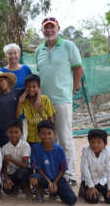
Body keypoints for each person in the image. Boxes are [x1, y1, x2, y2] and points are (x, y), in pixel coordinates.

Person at [35, 17, 83, 186]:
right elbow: (40, 75)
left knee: (64, 137)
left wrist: (73, 89)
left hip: (62, 99)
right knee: (48, 139)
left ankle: (70, 175)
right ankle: (54, 174)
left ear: (58, 28)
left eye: (52, 27)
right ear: (42, 30)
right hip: (44, 102)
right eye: (46, 28)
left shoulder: (68, 46)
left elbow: (78, 68)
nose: (49, 30)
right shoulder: (39, 49)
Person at [30, 120, 77, 205]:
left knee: (72, 200)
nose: (46, 136)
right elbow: (37, 167)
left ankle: (54, 192)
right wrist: (49, 182)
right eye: (43, 133)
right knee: (33, 178)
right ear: (38, 135)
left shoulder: (59, 149)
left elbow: (63, 169)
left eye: (49, 133)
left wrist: (54, 183)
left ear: (54, 134)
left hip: (57, 179)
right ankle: (39, 192)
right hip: (43, 178)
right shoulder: (35, 148)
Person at [16, 74, 55, 147]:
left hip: (45, 138)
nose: (31, 89)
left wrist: (51, 133)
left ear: (39, 87)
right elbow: (17, 116)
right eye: (28, 87)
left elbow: (51, 117)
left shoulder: (45, 99)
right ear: (25, 87)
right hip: (31, 139)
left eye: (34, 87)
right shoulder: (24, 102)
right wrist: (19, 102)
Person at [79, 129, 110, 204]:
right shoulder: (86, 151)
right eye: (92, 142)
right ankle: (83, 189)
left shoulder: (107, 152)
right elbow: (85, 170)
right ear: (89, 142)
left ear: (105, 144)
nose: (95, 145)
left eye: (99, 142)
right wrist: (91, 186)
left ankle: (100, 191)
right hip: (90, 181)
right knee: (93, 200)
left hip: (102, 180)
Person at [2, 120, 31, 196]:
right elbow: (4, 166)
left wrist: (11, 159)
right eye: (11, 132)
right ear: (7, 133)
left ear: (21, 133)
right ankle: (16, 187)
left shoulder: (25, 146)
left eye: (16, 132)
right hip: (12, 173)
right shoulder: (4, 148)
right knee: (7, 191)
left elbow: (25, 165)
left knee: (22, 172)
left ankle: (25, 187)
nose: (13, 135)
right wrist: (6, 178)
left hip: (23, 171)